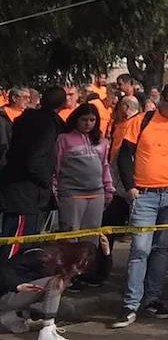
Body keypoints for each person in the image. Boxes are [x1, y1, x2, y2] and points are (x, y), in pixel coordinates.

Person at [112, 81, 168, 326]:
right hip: (145, 196)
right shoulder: (142, 121)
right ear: (161, 99)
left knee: (162, 250)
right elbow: (123, 155)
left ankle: (152, 299)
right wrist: (130, 187)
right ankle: (130, 305)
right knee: (140, 250)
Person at [1, 238, 107, 340]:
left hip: (28, 297)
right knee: (56, 282)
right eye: (80, 267)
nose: (79, 272)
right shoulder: (41, 255)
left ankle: (16, 316)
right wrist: (17, 285)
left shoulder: (71, 266)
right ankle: (47, 332)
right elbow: (4, 270)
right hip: (8, 294)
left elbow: (97, 278)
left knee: (66, 309)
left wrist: (106, 255)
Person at [1, 86, 64, 257]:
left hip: (20, 190)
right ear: (62, 104)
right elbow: (35, 160)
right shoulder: (45, 125)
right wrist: (46, 181)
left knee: (24, 243)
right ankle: (8, 280)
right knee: (15, 245)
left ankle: (15, 276)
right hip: (25, 193)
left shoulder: (25, 119)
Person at [52, 103, 113, 241]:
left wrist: (109, 188)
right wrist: (56, 191)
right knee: (70, 235)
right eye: (84, 120)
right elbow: (56, 166)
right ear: (76, 119)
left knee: (92, 237)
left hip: (97, 194)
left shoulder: (101, 141)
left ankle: (89, 263)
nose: (88, 124)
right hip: (72, 195)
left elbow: (105, 166)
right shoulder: (64, 139)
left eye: (92, 120)